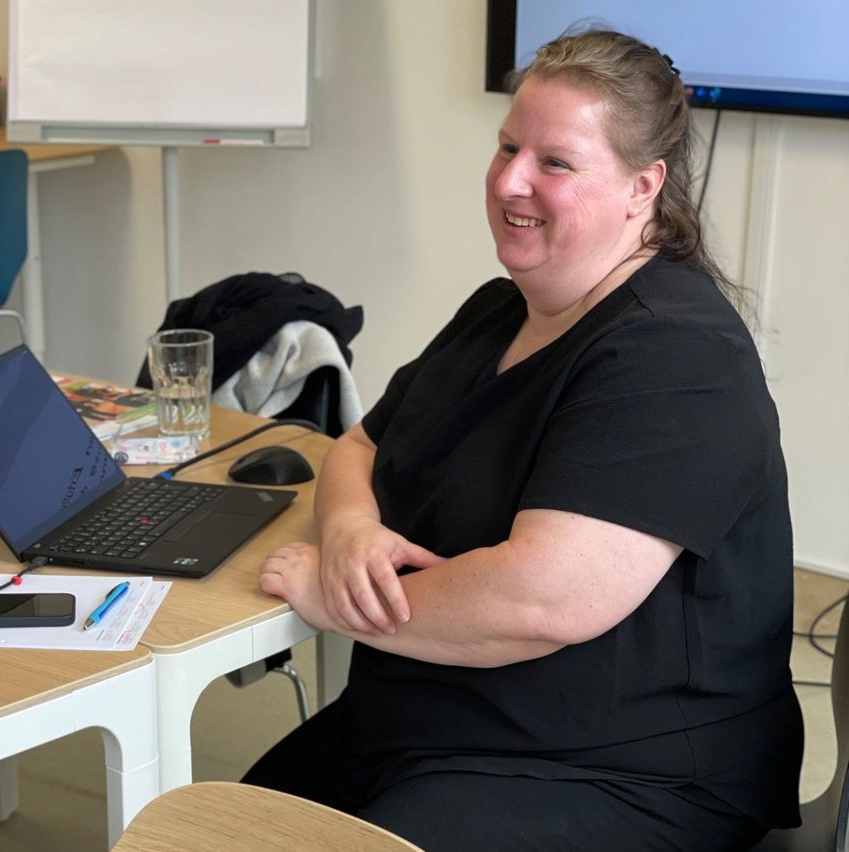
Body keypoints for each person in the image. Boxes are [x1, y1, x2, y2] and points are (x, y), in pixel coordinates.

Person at [243, 27, 803, 851]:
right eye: (508, 146)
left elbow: (543, 601)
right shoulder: (499, 310)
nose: (511, 181)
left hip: (618, 769)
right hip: (433, 723)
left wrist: (341, 601)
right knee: (213, 825)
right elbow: (360, 448)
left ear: (643, 186)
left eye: (555, 162)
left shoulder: (677, 355)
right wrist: (352, 531)